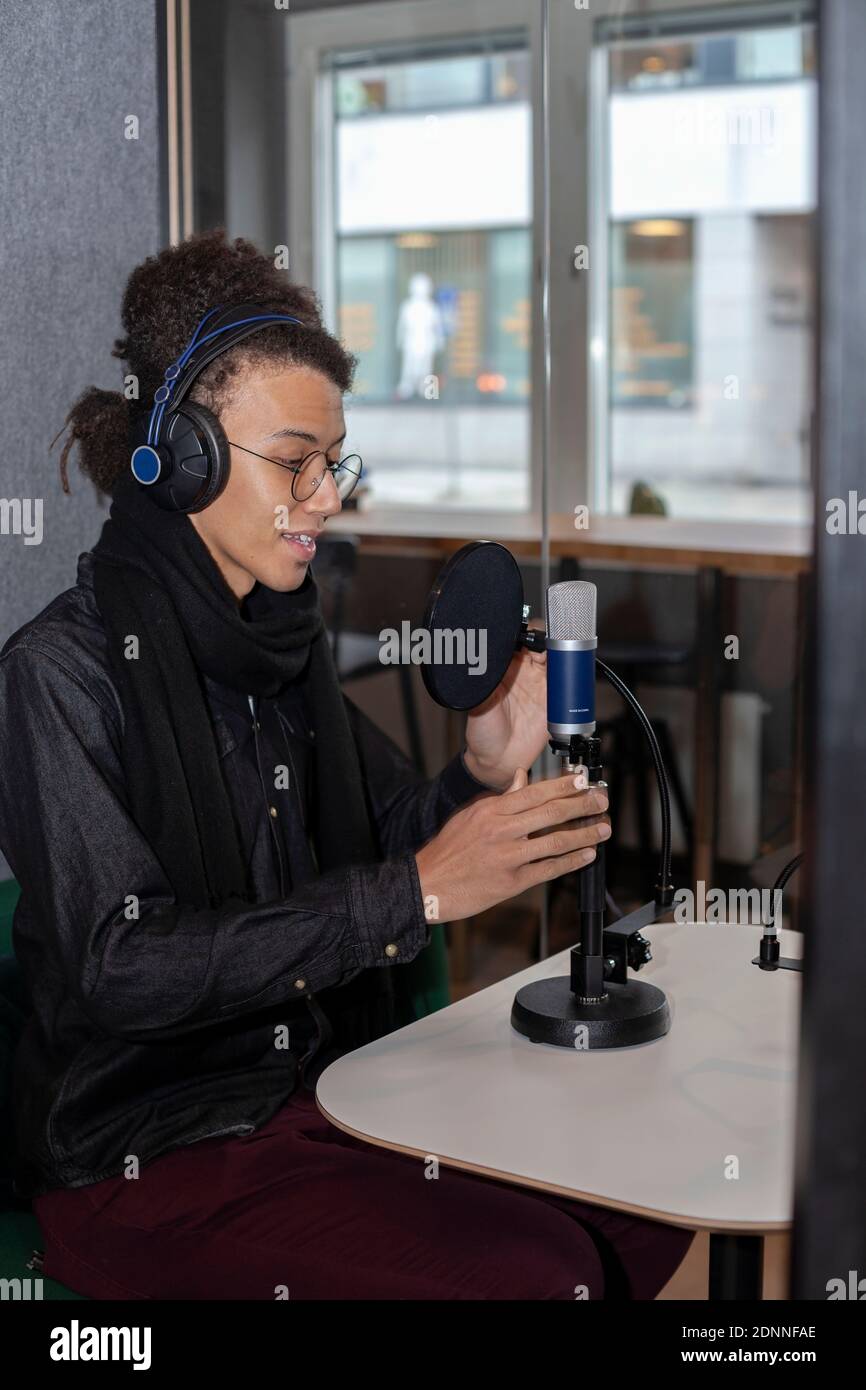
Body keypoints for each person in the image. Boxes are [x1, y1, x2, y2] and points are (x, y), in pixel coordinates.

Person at [0, 229, 693, 1300]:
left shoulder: (282, 645)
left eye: (336, 463)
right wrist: (413, 888)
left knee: (637, 1205)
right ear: (182, 452)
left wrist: (473, 770)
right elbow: (121, 967)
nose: (327, 496)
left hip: (324, 1091)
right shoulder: (59, 673)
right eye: (297, 462)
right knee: (543, 1276)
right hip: (149, 1158)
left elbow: (392, 837)